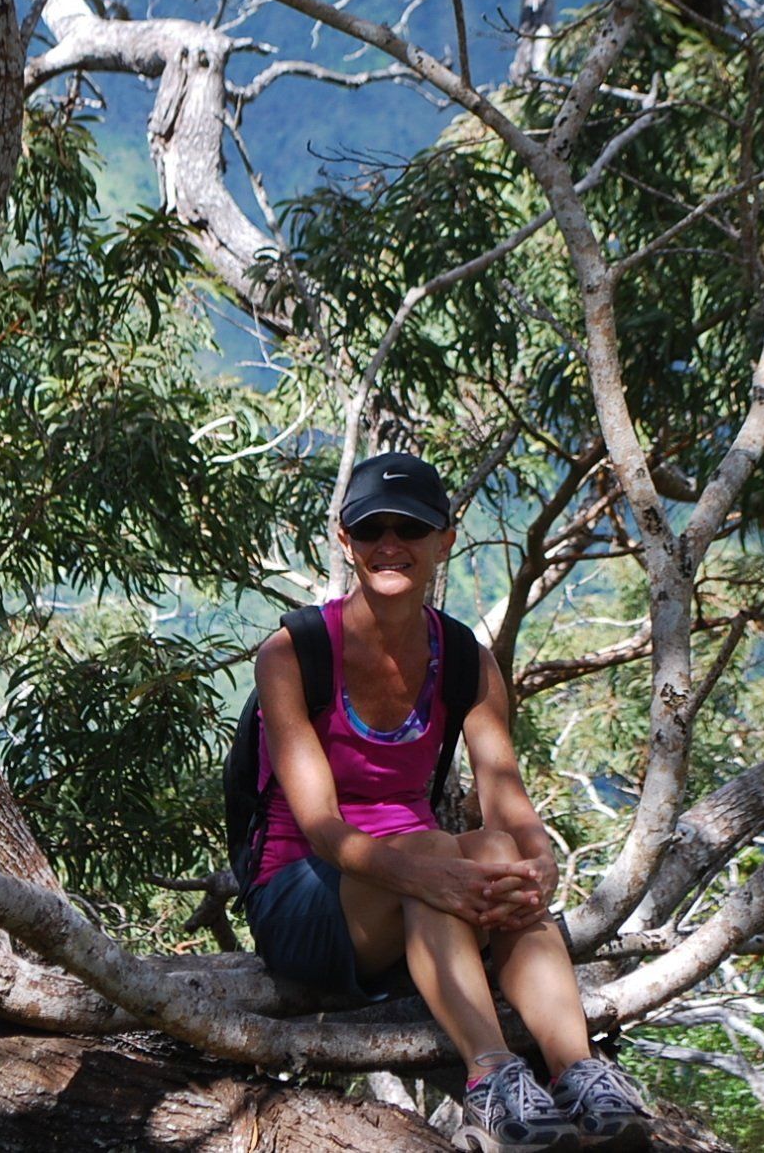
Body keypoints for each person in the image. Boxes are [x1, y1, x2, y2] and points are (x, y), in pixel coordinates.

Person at [245, 452, 651, 1153]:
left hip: (421, 898)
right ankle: (492, 1077)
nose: (390, 544)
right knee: (440, 851)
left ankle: (578, 1072)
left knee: (497, 850)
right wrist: (428, 872)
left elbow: (503, 792)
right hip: (304, 898)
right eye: (371, 529)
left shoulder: (464, 659)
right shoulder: (293, 654)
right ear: (346, 539)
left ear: (444, 540)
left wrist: (538, 860)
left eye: (411, 528)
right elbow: (322, 827)